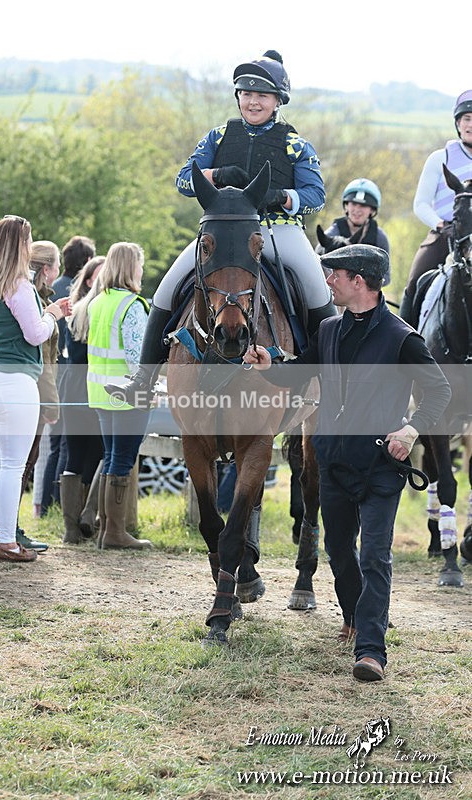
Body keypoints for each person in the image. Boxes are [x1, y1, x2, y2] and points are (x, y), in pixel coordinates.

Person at [243, 244, 451, 682]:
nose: (329, 281)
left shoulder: (402, 339)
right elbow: (301, 372)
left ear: (359, 281)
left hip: (380, 466)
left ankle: (371, 650)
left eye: (335, 273)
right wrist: (268, 364)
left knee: (374, 556)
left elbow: (440, 392)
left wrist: (411, 430)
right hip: (333, 460)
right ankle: (356, 615)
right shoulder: (329, 330)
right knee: (339, 551)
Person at [119, 49, 335, 406]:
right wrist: (216, 175)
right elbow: (183, 182)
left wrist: (279, 195)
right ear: (237, 97)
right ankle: (142, 379)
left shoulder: (295, 144)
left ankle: (333, 385)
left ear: (278, 100)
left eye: (261, 95)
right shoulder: (217, 137)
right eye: (246, 94)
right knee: (167, 288)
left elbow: (315, 196)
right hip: (222, 234)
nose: (252, 102)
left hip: (277, 230)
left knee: (317, 290)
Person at [0, 215, 71, 563]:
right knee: (12, 466)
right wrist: (54, 313)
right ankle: (8, 542)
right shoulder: (19, 285)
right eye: (28, 241)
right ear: (19, 245)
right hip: (14, 380)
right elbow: (35, 334)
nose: (30, 247)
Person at [86, 242, 152, 549]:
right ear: (130, 267)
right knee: (123, 459)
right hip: (128, 392)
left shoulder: (99, 301)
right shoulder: (132, 305)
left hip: (101, 392)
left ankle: (106, 531)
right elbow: (137, 358)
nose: (142, 269)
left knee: (111, 455)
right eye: (139, 263)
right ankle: (115, 533)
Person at [400, 90, 472, 324]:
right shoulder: (440, 158)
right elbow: (420, 204)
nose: (471, 124)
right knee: (415, 281)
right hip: (445, 234)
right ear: (458, 123)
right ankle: (404, 345)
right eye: (467, 118)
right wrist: (441, 225)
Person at [41, 234, 96, 513]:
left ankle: (47, 503)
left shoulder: (55, 287)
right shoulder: (76, 295)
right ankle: (61, 504)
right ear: (87, 262)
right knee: (65, 445)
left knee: (57, 445)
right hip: (69, 375)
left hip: (57, 373)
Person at [14, 239, 62, 553]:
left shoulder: (40, 298)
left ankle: (6, 526)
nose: (59, 271)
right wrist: (52, 404)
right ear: (47, 269)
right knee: (22, 464)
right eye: (57, 265)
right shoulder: (34, 300)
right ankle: (9, 529)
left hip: (25, 387)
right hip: (33, 391)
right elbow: (43, 359)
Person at [59, 255, 105, 543]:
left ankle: (70, 530)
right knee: (100, 451)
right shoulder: (104, 309)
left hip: (71, 387)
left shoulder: (74, 310)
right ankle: (88, 514)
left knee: (74, 454)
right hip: (94, 386)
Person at [315, 178, 391, 285]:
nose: (357, 210)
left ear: (372, 210)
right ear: (346, 206)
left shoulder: (380, 238)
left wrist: (361, 284)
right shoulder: (331, 234)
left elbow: (386, 277)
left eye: (363, 206)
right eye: (353, 204)